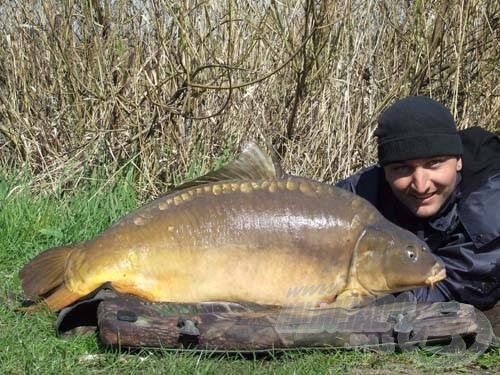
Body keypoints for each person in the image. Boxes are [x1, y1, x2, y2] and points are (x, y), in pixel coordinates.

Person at [336, 96, 500, 310]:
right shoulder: (360, 192)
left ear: (459, 160)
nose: (421, 186)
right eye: (403, 168)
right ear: (384, 170)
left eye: (434, 164)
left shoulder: (489, 208)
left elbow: (449, 291)